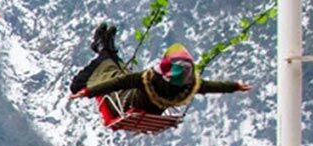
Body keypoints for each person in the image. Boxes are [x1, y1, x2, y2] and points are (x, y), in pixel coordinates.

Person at [68, 23, 251, 117]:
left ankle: (103, 49)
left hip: (120, 103)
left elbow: (118, 83)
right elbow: (210, 86)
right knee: (120, 68)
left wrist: (87, 92)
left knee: (105, 71)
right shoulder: (186, 87)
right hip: (139, 106)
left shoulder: (149, 79)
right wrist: (235, 86)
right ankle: (105, 48)